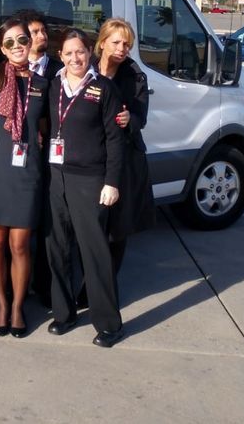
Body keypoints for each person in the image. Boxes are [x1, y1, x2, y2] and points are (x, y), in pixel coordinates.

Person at [44, 28, 127, 347]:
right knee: (58, 248)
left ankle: (109, 324)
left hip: (91, 180)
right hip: (57, 177)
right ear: (60, 56)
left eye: (80, 51)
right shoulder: (54, 86)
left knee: (94, 254)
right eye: (68, 53)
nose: (75, 58)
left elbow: (115, 139)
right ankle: (64, 314)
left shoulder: (103, 88)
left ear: (90, 52)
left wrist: (112, 182)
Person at [0, 18, 49, 339]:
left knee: (20, 245)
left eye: (22, 40)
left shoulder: (44, 84)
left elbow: (50, 128)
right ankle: (2, 304)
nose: (18, 47)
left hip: (27, 171)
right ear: (0, 47)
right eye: (10, 43)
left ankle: (18, 307)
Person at [95, 18, 158, 297]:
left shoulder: (134, 76)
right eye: (117, 42)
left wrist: (129, 118)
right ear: (103, 43)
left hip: (124, 157)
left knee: (116, 228)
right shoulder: (84, 68)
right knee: (92, 226)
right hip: (89, 158)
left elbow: (140, 117)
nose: (122, 49)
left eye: (127, 44)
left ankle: (104, 284)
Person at [18, 10, 62, 308]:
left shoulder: (59, 70)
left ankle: (46, 287)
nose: (42, 36)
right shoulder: (10, 69)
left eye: (44, 30)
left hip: (54, 158)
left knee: (50, 224)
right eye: (34, 32)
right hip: (22, 158)